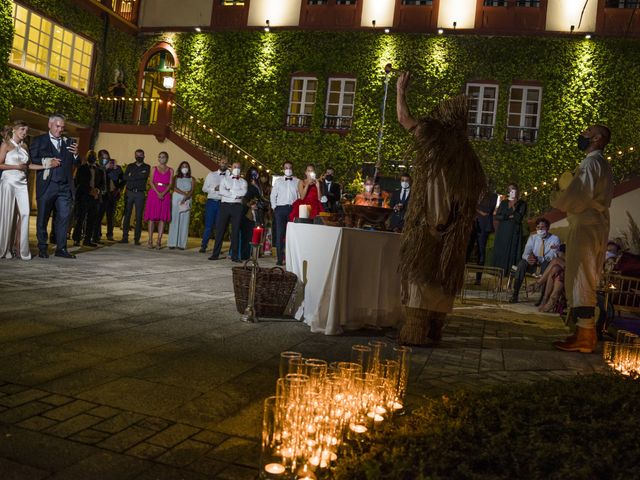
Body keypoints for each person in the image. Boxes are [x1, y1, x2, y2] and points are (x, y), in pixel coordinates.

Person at [396, 71, 486, 346]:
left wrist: (400, 91)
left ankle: (414, 333)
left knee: (419, 279)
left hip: (429, 226)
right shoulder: (468, 158)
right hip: (454, 233)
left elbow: (404, 119)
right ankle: (435, 331)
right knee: (442, 281)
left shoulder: (435, 144)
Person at [552, 124, 614, 353]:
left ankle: (585, 335)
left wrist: (560, 194)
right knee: (584, 274)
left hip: (586, 223)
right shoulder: (602, 164)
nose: (582, 134)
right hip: (594, 223)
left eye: (588, 132)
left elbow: (578, 194)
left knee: (580, 273)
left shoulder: (591, 163)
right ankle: (581, 332)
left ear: (597, 139)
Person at [0, 121, 60, 260]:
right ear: (14, 130)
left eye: (26, 130)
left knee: (25, 213)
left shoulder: (25, 146)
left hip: (22, 183)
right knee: (8, 215)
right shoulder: (6, 145)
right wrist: (15, 167)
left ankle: (21, 248)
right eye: (22, 129)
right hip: (8, 182)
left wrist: (47, 166)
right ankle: (5, 248)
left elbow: (29, 165)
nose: (24, 132)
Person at [30, 113, 80, 259]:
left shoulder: (69, 142)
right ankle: (43, 247)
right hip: (47, 186)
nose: (60, 130)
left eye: (62, 127)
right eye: (57, 126)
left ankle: (61, 248)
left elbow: (77, 164)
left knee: (64, 216)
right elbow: (33, 159)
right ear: (49, 125)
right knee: (43, 217)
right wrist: (48, 162)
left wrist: (76, 155)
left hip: (64, 187)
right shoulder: (39, 140)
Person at [508, 218, 561, 303]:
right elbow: (525, 254)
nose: (540, 229)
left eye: (542, 227)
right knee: (522, 263)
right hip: (533, 265)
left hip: (545, 266)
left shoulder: (554, 239)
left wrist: (541, 259)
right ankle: (515, 294)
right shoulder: (532, 238)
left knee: (546, 263)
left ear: (548, 228)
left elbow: (553, 255)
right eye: (538, 227)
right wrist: (529, 258)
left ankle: (542, 297)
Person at [209, 161, 247, 262]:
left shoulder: (243, 181)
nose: (237, 168)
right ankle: (215, 254)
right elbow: (222, 191)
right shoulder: (225, 179)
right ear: (231, 168)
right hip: (224, 206)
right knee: (220, 230)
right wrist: (234, 194)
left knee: (235, 232)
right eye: (235, 166)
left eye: (238, 167)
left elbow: (243, 192)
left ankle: (235, 256)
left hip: (237, 207)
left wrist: (230, 192)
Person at [466, 185, 498, 284]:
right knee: (467, 249)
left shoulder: (493, 196)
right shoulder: (474, 193)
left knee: (481, 251)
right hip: (472, 225)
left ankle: (478, 279)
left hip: (483, 227)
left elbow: (487, 211)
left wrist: (475, 208)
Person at [492, 183, 527, 274]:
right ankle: (498, 271)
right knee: (501, 249)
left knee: (513, 250)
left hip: (514, 231)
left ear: (517, 191)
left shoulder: (522, 203)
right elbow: (498, 216)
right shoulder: (503, 203)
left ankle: (510, 273)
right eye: (509, 189)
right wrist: (509, 216)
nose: (511, 191)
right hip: (503, 230)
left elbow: (519, 218)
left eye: (513, 189)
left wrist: (513, 206)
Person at [72, 150, 104, 247]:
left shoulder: (99, 170)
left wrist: (97, 191)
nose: (92, 157)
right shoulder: (82, 168)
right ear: (87, 157)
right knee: (80, 219)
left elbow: (102, 183)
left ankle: (87, 239)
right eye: (90, 155)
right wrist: (91, 190)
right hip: (83, 196)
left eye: (94, 155)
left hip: (94, 198)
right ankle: (76, 239)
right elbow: (80, 182)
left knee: (91, 219)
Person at [270, 161, 299, 266]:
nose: (288, 169)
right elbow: (273, 195)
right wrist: (274, 207)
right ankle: (279, 258)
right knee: (280, 234)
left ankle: (290, 258)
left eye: (290, 167)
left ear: (292, 169)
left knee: (291, 235)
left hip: (293, 209)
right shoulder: (278, 181)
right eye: (286, 168)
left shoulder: (297, 181)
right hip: (280, 209)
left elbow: (299, 196)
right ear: (283, 169)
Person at [144, 151, 173, 249]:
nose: (162, 158)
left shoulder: (171, 170)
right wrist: (158, 193)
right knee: (152, 218)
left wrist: (163, 193)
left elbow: (170, 184)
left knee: (162, 218)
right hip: (154, 193)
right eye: (160, 157)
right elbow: (151, 182)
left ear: (167, 158)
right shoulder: (154, 168)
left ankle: (159, 241)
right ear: (158, 158)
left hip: (165, 194)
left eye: (164, 157)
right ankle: (150, 240)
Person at [199, 157, 228, 253]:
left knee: (220, 227)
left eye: (225, 162)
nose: (223, 163)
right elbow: (204, 188)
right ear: (219, 163)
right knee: (208, 225)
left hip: (222, 203)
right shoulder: (211, 175)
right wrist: (214, 189)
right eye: (222, 162)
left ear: (227, 164)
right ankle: (203, 246)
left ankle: (217, 248)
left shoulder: (229, 177)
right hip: (211, 202)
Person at [528, 244, 566, 313]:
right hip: (565, 267)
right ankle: (549, 300)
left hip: (574, 269)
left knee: (555, 260)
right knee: (555, 268)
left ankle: (539, 286)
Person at [94, 150, 124, 242]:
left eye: (107, 157)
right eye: (103, 158)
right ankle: (97, 234)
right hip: (102, 195)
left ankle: (110, 234)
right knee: (99, 216)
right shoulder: (98, 168)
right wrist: (106, 169)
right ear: (99, 158)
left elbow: (122, 179)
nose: (106, 159)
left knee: (110, 216)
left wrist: (116, 169)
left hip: (112, 195)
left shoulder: (115, 168)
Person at [168, 161, 195, 250]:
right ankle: (172, 243)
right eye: (183, 166)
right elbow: (174, 187)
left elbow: (192, 190)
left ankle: (181, 244)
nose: (184, 168)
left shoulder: (192, 178)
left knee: (185, 221)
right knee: (174, 220)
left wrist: (187, 196)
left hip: (187, 199)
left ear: (189, 168)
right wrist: (184, 194)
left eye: (186, 166)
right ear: (180, 168)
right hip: (177, 198)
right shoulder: (175, 177)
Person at [240, 166, 264, 260]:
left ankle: (249, 254)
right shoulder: (245, 183)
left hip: (255, 212)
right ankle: (242, 254)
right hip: (246, 212)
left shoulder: (258, 185)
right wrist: (250, 204)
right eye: (252, 173)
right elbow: (243, 197)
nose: (254, 175)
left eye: (256, 173)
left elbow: (260, 197)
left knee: (251, 234)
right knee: (245, 234)